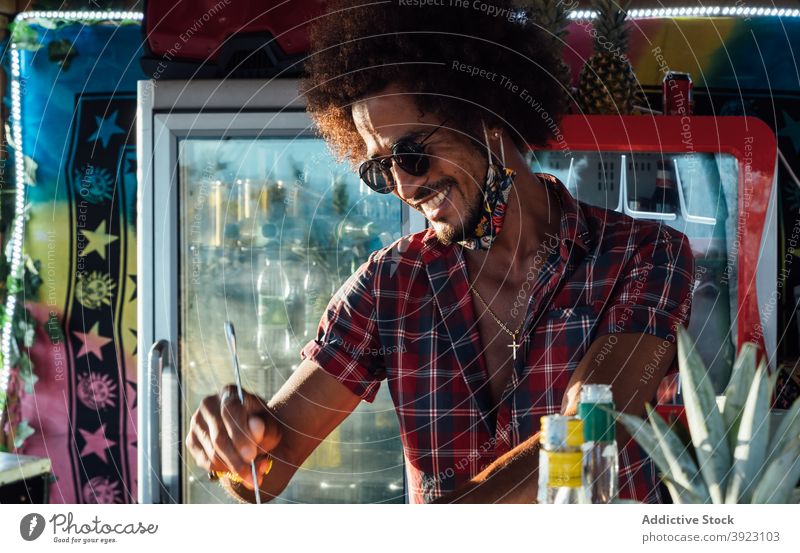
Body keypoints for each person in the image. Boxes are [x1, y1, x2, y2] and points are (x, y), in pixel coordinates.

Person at [185, 0, 694, 504]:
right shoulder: (390, 285)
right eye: (381, 170)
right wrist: (238, 441)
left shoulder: (643, 255)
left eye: (412, 154)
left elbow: (590, 432)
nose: (405, 186)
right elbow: (267, 471)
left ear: (484, 116)